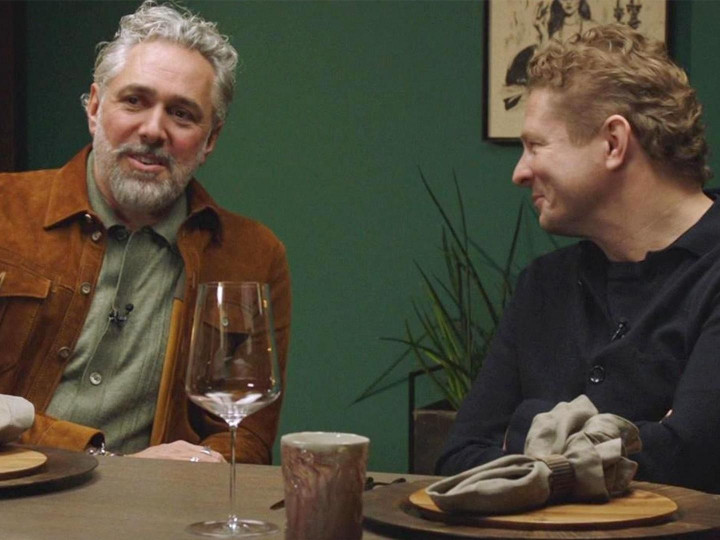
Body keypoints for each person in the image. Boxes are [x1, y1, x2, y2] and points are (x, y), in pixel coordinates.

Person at [0, 1, 291, 464]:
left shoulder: (253, 254)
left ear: (210, 140)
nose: (154, 130)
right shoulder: (6, 212)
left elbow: (245, 437)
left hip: (156, 505)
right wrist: (99, 458)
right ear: (96, 108)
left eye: (182, 114)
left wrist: (200, 466)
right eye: (134, 100)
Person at [437, 24, 720, 494]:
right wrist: (633, 443)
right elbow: (459, 460)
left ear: (613, 143)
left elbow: (691, 466)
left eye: (535, 145)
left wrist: (521, 429)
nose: (519, 172)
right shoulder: (543, 285)